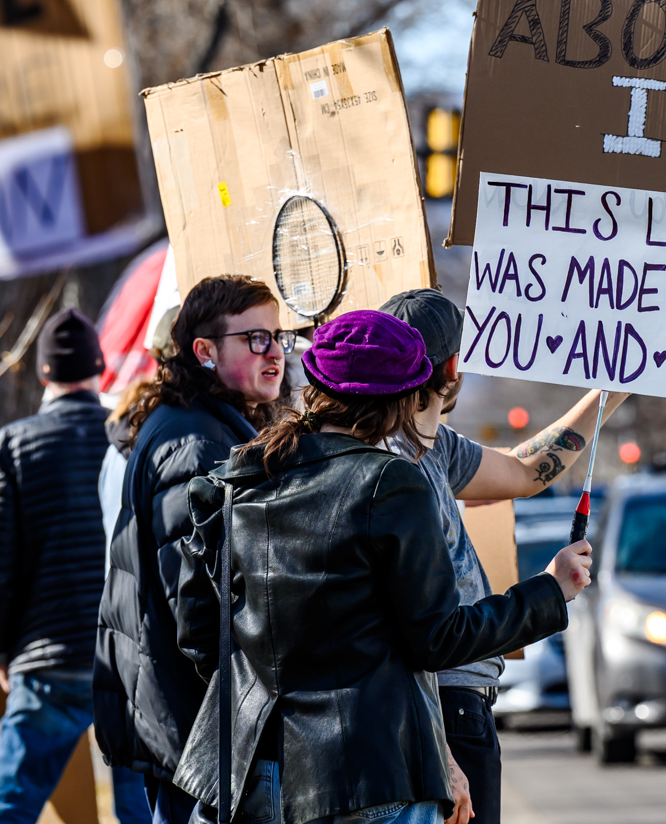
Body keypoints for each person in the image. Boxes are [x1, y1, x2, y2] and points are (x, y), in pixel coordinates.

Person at [170, 309, 592, 824]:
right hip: (368, 776)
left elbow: (197, 636)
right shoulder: (389, 482)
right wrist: (550, 591)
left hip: (248, 778)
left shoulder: (234, 481)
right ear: (401, 399)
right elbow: (438, 639)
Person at [378, 288, 627, 824]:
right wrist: (548, 588)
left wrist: (612, 389)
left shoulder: (432, 443)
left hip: (455, 707)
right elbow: (410, 631)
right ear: (451, 368)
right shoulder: (393, 464)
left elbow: (523, 470)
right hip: (439, 711)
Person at [93, 276, 290, 823]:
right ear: (204, 351)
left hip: (187, 722)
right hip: (201, 731)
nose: (273, 351)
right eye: (254, 338)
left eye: (278, 337)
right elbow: (200, 610)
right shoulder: (197, 444)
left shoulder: (203, 425)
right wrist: (248, 713)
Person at [0, 308, 150, 824]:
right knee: (140, 807)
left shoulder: (11, 445)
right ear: (99, 368)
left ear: (44, 374)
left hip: (45, 656)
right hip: (126, 653)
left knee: (9, 805)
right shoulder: (130, 436)